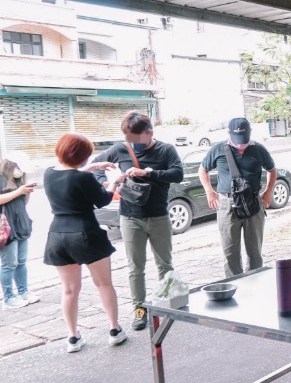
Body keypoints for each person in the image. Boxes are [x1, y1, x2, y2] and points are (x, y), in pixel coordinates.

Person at [92, 111, 184, 331]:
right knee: (136, 268)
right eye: (128, 139)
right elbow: (95, 166)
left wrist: (148, 173)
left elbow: (177, 174)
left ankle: (167, 306)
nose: (131, 144)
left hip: (159, 215)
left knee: (165, 264)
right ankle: (140, 310)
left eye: (136, 139)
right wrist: (109, 183)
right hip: (130, 217)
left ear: (150, 133)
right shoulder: (120, 148)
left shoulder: (166, 149)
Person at [44, 133, 127, 352]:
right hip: (85, 234)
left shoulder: (49, 174)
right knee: (103, 284)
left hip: (58, 236)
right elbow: (103, 199)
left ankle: (73, 337)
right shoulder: (83, 178)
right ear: (81, 157)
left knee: (69, 290)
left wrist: (91, 167)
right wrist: (114, 183)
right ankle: (115, 330)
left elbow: (69, 178)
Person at [199, 118, 277, 277]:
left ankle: (255, 282)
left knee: (255, 251)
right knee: (230, 253)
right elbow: (203, 169)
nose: (241, 144)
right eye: (237, 140)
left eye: (244, 140)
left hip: (253, 203)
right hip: (227, 204)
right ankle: (235, 285)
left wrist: (268, 192)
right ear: (229, 134)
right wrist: (209, 191)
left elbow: (272, 170)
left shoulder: (258, 149)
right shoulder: (218, 149)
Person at [0, 157, 38, 309]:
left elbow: (24, 203)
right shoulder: (1, 179)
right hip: (7, 226)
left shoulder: (19, 181)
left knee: (21, 262)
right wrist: (18, 191)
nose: (20, 172)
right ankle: (8, 298)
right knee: (9, 263)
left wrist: (26, 191)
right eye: (18, 168)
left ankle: (23, 292)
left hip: (21, 224)